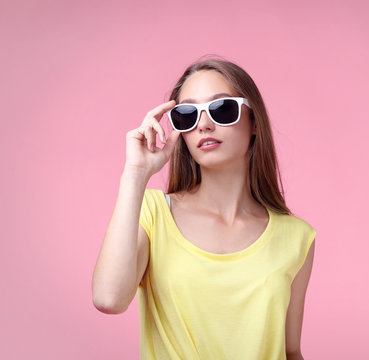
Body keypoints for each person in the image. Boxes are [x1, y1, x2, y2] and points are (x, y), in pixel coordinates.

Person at [92, 57, 317, 360]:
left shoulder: (297, 237)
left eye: (222, 109)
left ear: (253, 122)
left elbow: (290, 351)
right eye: (187, 115)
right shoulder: (154, 212)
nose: (204, 125)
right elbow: (109, 299)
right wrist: (135, 174)